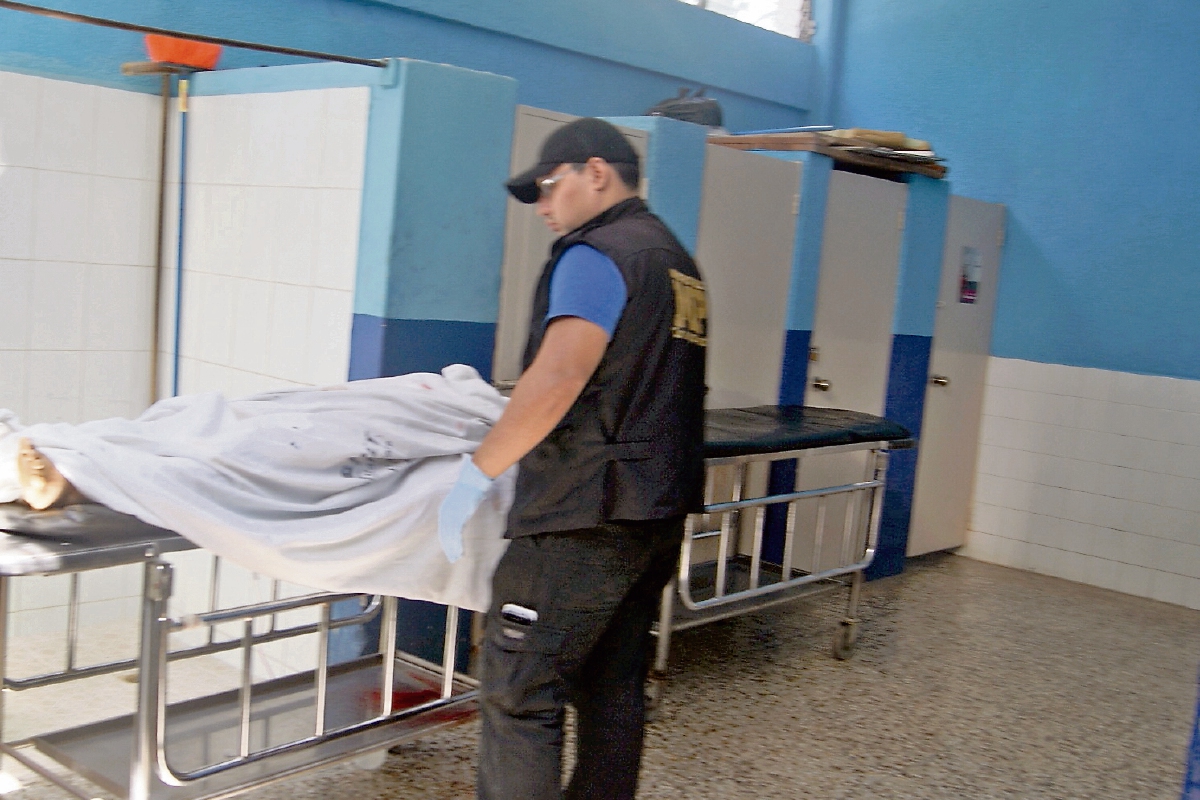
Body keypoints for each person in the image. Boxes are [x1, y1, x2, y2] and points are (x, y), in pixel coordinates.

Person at [437, 117, 708, 800]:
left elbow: (560, 377)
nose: (544, 208)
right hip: (655, 514)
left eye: (550, 188)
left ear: (597, 172)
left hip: (583, 517)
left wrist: (477, 473)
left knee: (521, 693)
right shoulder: (677, 261)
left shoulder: (598, 254)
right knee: (612, 686)